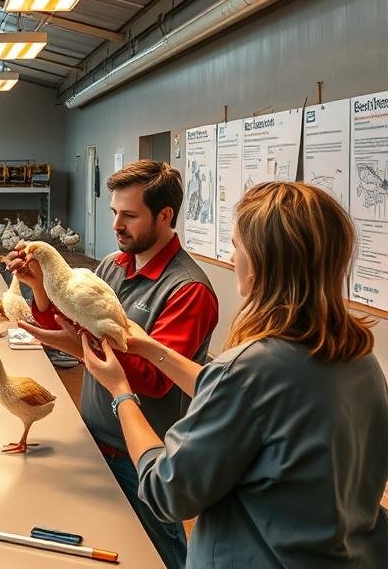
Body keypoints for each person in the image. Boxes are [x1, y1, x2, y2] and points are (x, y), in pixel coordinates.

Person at [82, 182, 388, 568]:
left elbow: (167, 491)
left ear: (260, 263)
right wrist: (150, 347)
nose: (232, 255)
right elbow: (244, 398)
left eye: (237, 246)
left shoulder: (249, 367)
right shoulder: (360, 360)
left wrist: (121, 393)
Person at [18, 160, 218, 569]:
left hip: (143, 460)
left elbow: (157, 379)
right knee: (111, 552)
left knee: (162, 556)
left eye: (129, 215)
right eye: (114, 213)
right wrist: (41, 287)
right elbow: (66, 322)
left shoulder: (187, 289)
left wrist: (85, 349)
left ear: (164, 216)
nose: (116, 225)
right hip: (95, 442)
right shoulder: (112, 266)